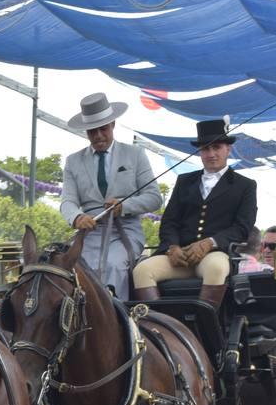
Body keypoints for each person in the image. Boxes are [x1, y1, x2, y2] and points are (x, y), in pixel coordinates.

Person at [132, 118, 257, 308]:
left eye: (217, 147)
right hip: (180, 256)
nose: (211, 154)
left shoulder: (245, 185)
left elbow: (242, 228)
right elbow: (170, 222)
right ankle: (157, 325)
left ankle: (205, 328)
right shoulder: (184, 181)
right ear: (200, 151)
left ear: (228, 149)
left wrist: (209, 243)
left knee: (216, 267)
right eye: (206, 148)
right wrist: (172, 247)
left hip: (215, 254)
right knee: (142, 270)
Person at [59, 92, 163, 300]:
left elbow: (154, 198)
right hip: (88, 235)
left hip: (124, 232)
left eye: (103, 129)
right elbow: (67, 201)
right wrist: (77, 217)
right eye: (92, 131)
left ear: (113, 124)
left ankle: (118, 321)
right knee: (65, 269)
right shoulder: (73, 161)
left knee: (113, 264)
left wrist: (124, 206)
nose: (98, 135)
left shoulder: (135, 154)